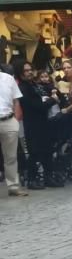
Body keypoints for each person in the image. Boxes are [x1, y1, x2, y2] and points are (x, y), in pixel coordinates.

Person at [14, 59, 62, 189]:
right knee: (34, 152)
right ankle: (32, 179)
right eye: (26, 70)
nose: (29, 72)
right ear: (20, 73)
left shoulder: (34, 84)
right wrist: (53, 100)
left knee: (47, 150)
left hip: (44, 122)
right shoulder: (23, 88)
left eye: (30, 69)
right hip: (33, 124)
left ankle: (48, 177)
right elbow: (37, 106)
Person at [0, 65, 27, 196]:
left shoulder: (8, 79)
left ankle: (13, 186)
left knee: (11, 156)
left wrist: (16, 120)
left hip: (8, 119)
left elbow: (16, 100)